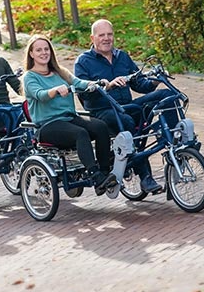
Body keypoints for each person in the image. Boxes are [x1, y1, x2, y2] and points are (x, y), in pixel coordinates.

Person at [74, 19, 177, 194]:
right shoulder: (83, 62)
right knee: (128, 121)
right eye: (101, 35)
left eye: (109, 34)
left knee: (168, 96)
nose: (106, 38)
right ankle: (145, 177)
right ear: (92, 38)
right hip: (103, 112)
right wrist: (107, 86)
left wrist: (155, 80)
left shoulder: (122, 56)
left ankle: (176, 144)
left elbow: (140, 84)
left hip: (128, 106)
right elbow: (82, 92)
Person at [22, 35, 117, 196]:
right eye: (38, 50)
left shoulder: (60, 72)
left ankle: (104, 171)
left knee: (100, 126)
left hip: (69, 118)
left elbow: (79, 83)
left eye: (46, 49)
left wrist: (96, 83)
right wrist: (55, 90)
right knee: (80, 133)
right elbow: (40, 95)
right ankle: (95, 175)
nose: (44, 53)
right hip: (48, 125)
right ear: (31, 54)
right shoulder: (29, 77)